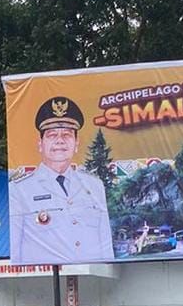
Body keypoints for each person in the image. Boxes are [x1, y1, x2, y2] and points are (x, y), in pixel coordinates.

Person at [9, 97, 114, 264]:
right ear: (40, 144)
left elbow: (106, 244)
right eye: (52, 135)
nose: (60, 140)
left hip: (93, 280)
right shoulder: (19, 190)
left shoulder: (94, 185)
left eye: (67, 134)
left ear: (76, 143)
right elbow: (15, 250)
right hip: (43, 283)